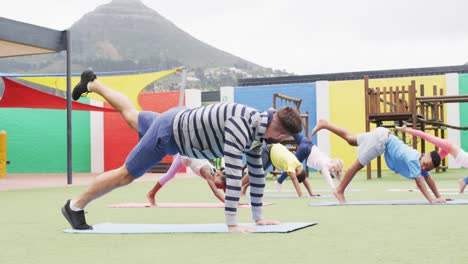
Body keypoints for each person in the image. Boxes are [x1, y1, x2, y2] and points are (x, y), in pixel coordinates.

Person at [61, 70, 303, 233]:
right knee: (127, 175)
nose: (280, 141)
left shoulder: (261, 128)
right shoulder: (242, 125)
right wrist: (232, 224)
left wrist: (258, 218)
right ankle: (74, 206)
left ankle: (93, 83)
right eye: (283, 137)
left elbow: (257, 173)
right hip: (170, 133)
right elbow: (231, 173)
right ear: (280, 132)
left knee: (133, 116)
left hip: (179, 118)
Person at [311, 119, 446, 204]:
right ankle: (339, 190)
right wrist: (431, 199)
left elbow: (428, 179)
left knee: (351, 139)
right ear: (422, 155)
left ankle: (325, 124)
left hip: (382, 134)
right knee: (358, 165)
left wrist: (439, 196)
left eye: (427, 168)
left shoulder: (419, 162)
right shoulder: (413, 159)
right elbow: (420, 182)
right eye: (425, 164)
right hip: (381, 141)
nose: (423, 168)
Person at [394, 125, 468, 194]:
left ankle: (464, 181)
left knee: (431, 164)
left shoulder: (447, 147)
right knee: (428, 138)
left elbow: (428, 168)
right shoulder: (447, 144)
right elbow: (425, 135)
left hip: (463, 158)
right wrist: (407, 130)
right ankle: (464, 181)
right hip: (463, 158)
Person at [241, 143, 315, 198]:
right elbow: (294, 180)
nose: (292, 175)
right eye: (295, 174)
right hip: (268, 150)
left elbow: (304, 178)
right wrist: (301, 196)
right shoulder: (292, 165)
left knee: (258, 173)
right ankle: (238, 187)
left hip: (273, 153)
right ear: (295, 172)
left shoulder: (299, 166)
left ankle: (244, 188)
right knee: (255, 171)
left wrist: (311, 193)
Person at [146, 154, 226, 205]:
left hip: (192, 156)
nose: (217, 187)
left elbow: (225, 188)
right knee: (170, 175)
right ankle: (151, 194)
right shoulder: (208, 173)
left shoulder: (217, 174)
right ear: (218, 175)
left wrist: (233, 201)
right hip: (185, 156)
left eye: (220, 187)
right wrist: (228, 203)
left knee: (170, 175)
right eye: (218, 185)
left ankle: (151, 194)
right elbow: (216, 192)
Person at [275, 133, 343, 191]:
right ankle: (279, 181)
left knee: (293, 132)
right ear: (332, 161)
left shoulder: (329, 161)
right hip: (305, 150)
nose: (332, 170)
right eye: (333, 167)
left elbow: (336, 175)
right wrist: (334, 189)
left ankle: (283, 126)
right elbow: (328, 178)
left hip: (307, 142)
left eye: (334, 170)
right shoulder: (324, 165)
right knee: (292, 166)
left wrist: (343, 188)